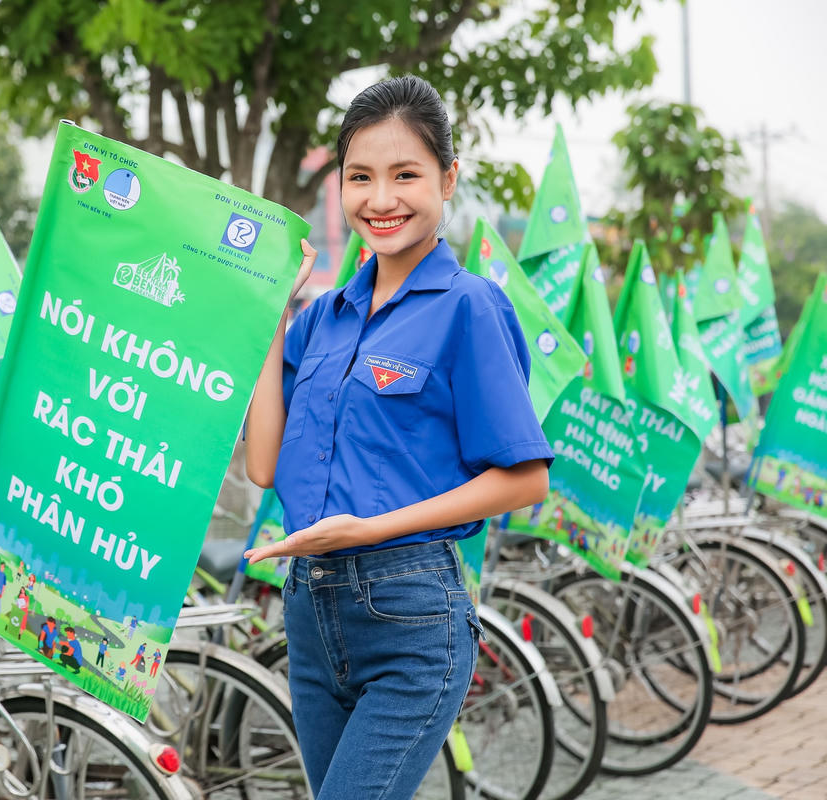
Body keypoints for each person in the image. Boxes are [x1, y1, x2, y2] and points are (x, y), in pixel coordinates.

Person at [243, 75, 552, 799]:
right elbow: (263, 466)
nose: (381, 201)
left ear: (447, 179)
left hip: (409, 613)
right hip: (309, 613)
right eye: (360, 178)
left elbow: (525, 478)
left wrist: (369, 527)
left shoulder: (470, 307)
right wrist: (269, 320)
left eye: (405, 175)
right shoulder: (321, 319)